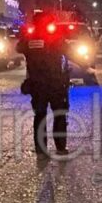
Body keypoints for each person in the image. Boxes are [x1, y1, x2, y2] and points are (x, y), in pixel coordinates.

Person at [17, 12, 70, 155]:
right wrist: (85, 65)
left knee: (40, 116)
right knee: (59, 115)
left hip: (38, 85)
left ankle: (41, 149)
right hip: (55, 84)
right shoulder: (55, 37)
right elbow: (68, 51)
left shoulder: (30, 37)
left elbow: (19, 47)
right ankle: (60, 148)